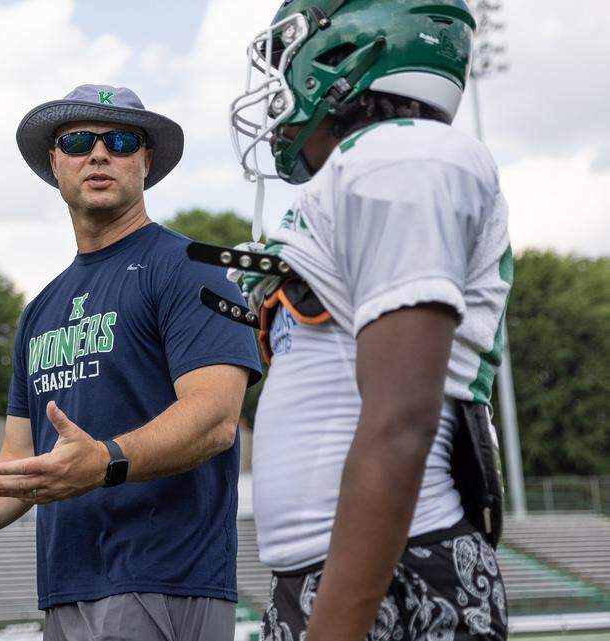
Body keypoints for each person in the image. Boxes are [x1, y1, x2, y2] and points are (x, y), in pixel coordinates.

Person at [0, 84, 261, 641]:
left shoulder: (191, 270)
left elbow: (215, 420)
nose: (98, 154)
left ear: (146, 159)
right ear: (54, 162)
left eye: (119, 140)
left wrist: (106, 460)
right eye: (77, 141)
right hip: (67, 589)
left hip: (164, 579)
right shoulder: (41, 309)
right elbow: (17, 463)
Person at [218, 1, 511, 639]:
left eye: (287, 57)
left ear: (346, 51)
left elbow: (401, 419)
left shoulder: (404, 158)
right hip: (342, 571)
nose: (278, 86)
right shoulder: (363, 173)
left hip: (395, 568)